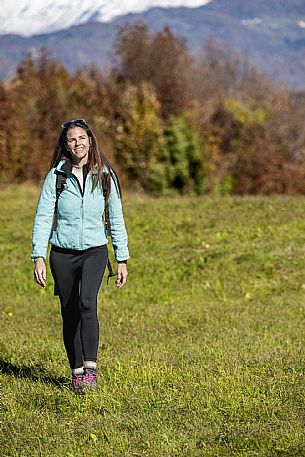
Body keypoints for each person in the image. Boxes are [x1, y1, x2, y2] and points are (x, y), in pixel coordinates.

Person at [31, 118, 129, 394]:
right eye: (72, 139)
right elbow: (42, 217)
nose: (78, 143)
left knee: (87, 303)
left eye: (82, 138)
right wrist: (39, 255)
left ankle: (90, 369)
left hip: (94, 251)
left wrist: (122, 258)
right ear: (66, 144)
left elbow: (116, 217)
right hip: (62, 253)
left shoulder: (105, 174)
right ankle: (76, 371)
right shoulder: (56, 176)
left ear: (90, 141)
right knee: (69, 310)